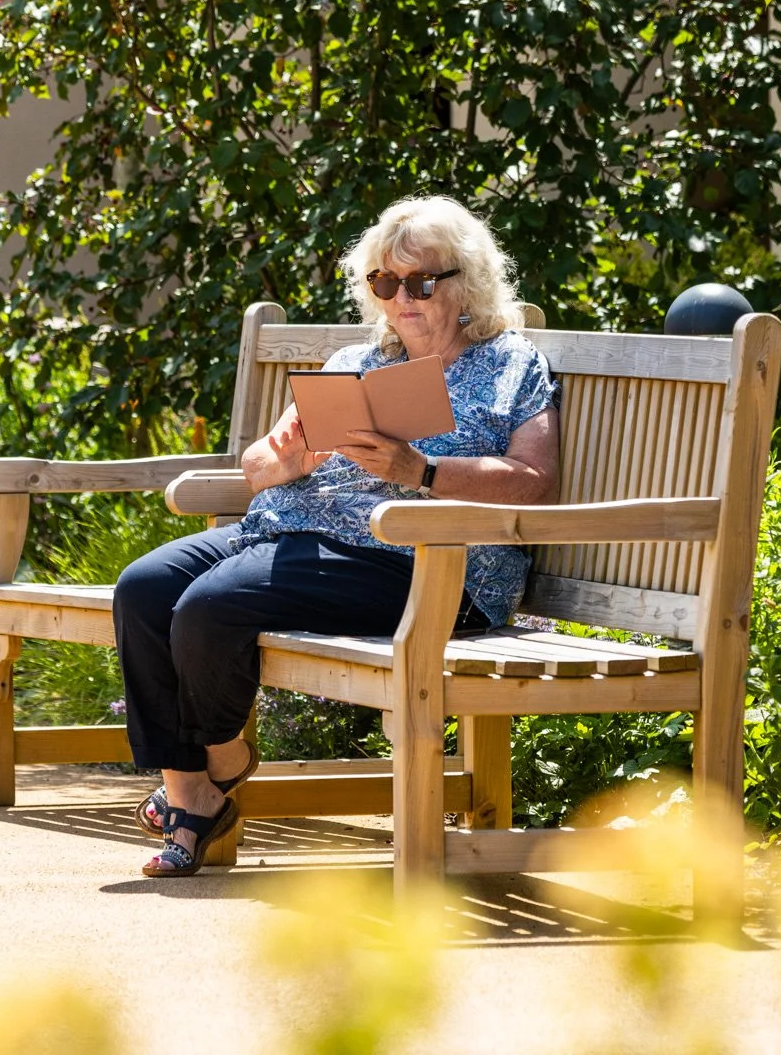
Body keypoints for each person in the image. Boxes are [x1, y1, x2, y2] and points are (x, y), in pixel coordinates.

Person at [113, 194, 560, 877]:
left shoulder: (510, 365)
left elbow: (534, 478)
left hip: (421, 561)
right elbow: (257, 464)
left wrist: (422, 469)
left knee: (210, 605)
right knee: (142, 589)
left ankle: (219, 766)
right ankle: (194, 784)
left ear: (464, 281)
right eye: (386, 282)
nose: (401, 298)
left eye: (419, 281)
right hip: (290, 531)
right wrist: (287, 460)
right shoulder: (357, 359)